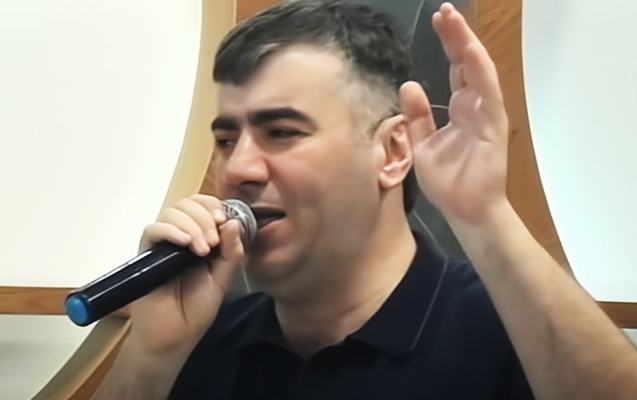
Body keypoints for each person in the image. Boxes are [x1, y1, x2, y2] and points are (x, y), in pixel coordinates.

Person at [92, 1, 637, 399]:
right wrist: (150, 360)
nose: (238, 169)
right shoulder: (202, 339)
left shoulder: (511, 332)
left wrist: (485, 216)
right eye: (228, 140)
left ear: (393, 151)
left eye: (282, 132)